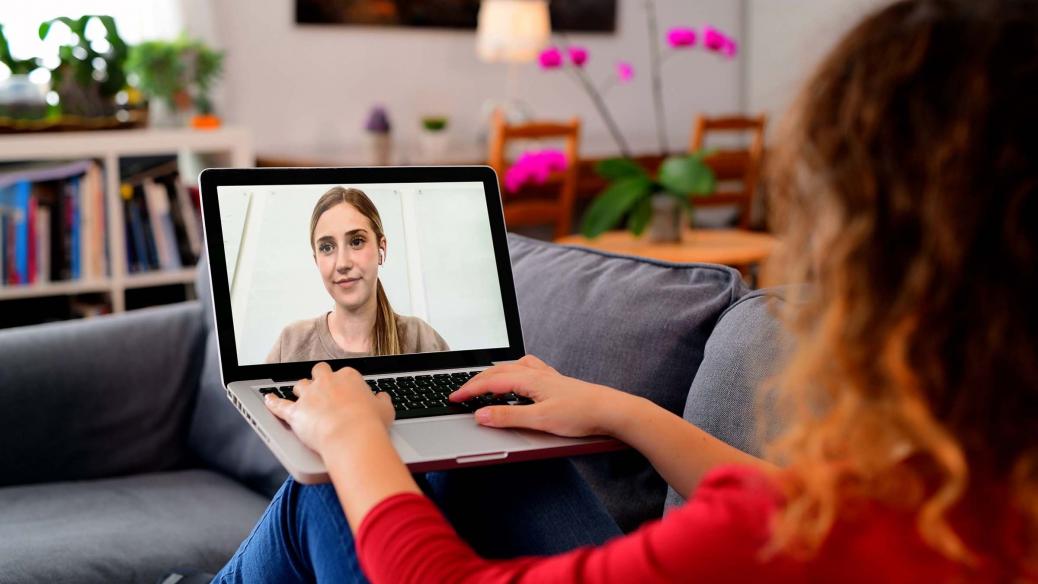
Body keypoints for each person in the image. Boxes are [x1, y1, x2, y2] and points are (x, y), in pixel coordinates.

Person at [215, 0, 1038, 581]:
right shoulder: (962, 494)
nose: (342, 260)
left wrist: (355, 439)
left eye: (354, 239)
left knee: (322, 497)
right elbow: (810, 504)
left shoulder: (759, 542)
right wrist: (617, 409)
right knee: (490, 452)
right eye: (326, 246)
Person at [266, 186, 449, 363]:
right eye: (327, 247)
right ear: (316, 260)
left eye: (356, 241)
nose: (343, 264)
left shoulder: (421, 340)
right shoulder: (290, 343)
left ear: (381, 248)